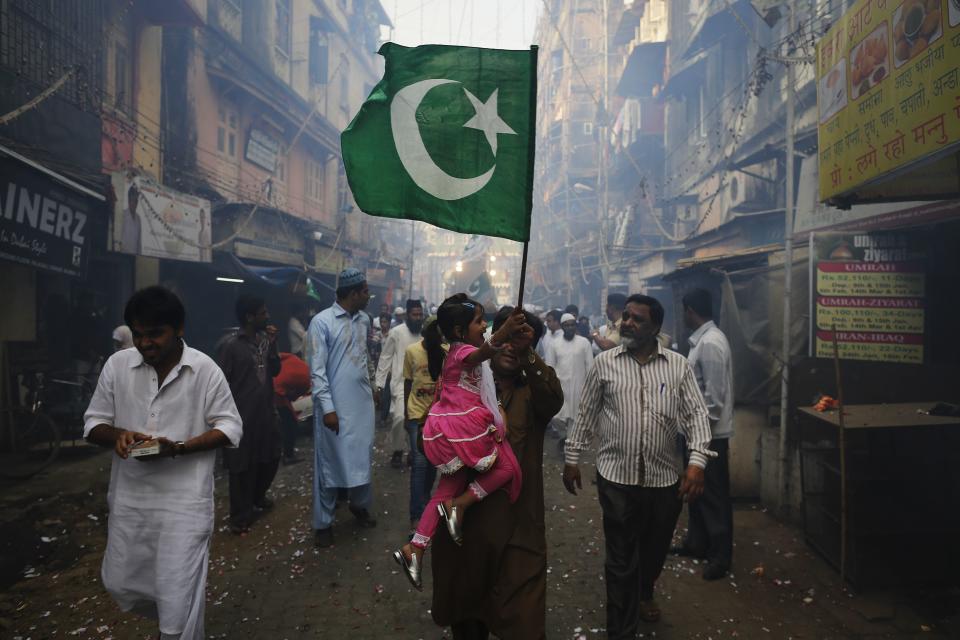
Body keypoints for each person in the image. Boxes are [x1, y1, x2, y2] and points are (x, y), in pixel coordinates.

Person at [83, 286, 242, 639]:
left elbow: (230, 427)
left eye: (155, 333)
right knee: (121, 583)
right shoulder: (117, 365)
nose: (145, 343)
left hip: (184, 505)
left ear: (179, 329)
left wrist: (179, 448)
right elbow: (93, 423)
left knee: (177, 598)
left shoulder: (204, 370)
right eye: (138, 334)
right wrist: (119, 435)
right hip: (130, 501)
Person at [563, 294, 714, 636]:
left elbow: (696, 415)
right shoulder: (605, 363)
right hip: (616, 477)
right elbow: (586, 413)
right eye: (626, 317)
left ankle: (645, 589)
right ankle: (621, 629)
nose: (627, 323)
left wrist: (697, 462)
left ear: (656, 327)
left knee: (654, 550)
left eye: (637, 319)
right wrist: (572, 457)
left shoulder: (678, 366)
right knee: (620, 558)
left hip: (663, 481)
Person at [431, 306, 562, 639]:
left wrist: (526, 348)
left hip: (519, 529)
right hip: (467, 529)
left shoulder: (534, 394)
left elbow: (553, 399)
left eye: (519, 341)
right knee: (468, 620)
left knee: (524, 623)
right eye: (504, 336)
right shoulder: (458, 385)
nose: (510, 346)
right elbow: (427, 442)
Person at [392, 294, 529, 590]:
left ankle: (415, 547)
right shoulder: (460, 351)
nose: (485, 326)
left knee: (445, 490)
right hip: (463, 428)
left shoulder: (455, 349)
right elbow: (484, 352)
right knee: (508, 468)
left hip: (460, 426)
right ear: (458, 331)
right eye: (479, 322)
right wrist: (504, 332)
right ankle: (461, 506)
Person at [308, 267, 377, 548]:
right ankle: (323, 523)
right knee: (328, 465)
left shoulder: (365, 319)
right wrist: (328, 408)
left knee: (362, 458)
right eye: (364, 291)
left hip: (362, 405)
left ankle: (359, 506)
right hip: (335, 409)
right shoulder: (322, 322)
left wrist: (373, 388)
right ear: (351, 293)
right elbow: (317, 371)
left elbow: (365, 357)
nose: (368, 296)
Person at [674, 288, 734, 580]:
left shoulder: (710, 343)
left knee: (712, 496)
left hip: (709, 437)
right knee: (696, 494)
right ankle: (697, 544)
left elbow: (713, 399)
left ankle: (720, 557)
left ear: (689, 311)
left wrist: (699, 438)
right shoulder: (703, 341)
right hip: (698, 434)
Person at [218, 295, 282, 534]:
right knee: (241, 466)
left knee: (270, 456)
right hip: (240, 414)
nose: (267, 316)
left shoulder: (266, 341)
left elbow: (275, 370)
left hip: (265, 412)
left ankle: (257, 498)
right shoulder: (230, 345)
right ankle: (240, 515)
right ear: (249, 317)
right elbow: (221, 382)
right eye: (263, 313)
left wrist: (274, 345)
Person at [401, 317, 441, 528]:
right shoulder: (412, 351)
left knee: (432, 461)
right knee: (419, 463)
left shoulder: (444, 351)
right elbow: (408, 382)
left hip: (437, 416)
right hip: (417, 414)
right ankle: (416, 513)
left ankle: (424, 495)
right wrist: (407, 416)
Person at [376, 299, 425, 469]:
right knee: (400, 418)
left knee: (419, 421)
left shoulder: (425, 333)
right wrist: (380, 384)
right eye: (414, 314)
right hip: (401, 384)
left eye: (420, 314)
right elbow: (386, 357)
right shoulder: (396, 332)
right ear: (407, 315)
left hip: (421, 385)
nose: (418, 318)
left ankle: (413, 451)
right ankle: (397, 450)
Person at [544, 313, 593, 444]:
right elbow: (550, 367)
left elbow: (590, 366)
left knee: (575, 417)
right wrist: (550, 386)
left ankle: (570, 445)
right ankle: (566, 436)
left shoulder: (584, 343)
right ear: (562, 326)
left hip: (579, 386)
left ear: (575, 326)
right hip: (560, 387)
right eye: (567, 325)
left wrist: (590, 387)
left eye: (572, 325)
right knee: (556, 417)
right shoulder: (554, 344)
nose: (570, 327)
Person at [274, 351, 310, 465]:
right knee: (291, 423)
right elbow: (293, 397)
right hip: (278, 393)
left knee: (282, 422)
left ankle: (283, 451)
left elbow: (278, 356)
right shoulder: (308, 381)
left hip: (268, 384)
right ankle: (288, 455)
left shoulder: (293, 358)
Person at [120, 182, 142, 255]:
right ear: (129, 200)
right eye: (132, 200)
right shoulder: (123, 215)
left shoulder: (138, 219)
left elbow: (139, 241)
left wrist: (139, 254)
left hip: (134, 255)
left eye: (136, 200)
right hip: (123, 254)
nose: (134, 203)